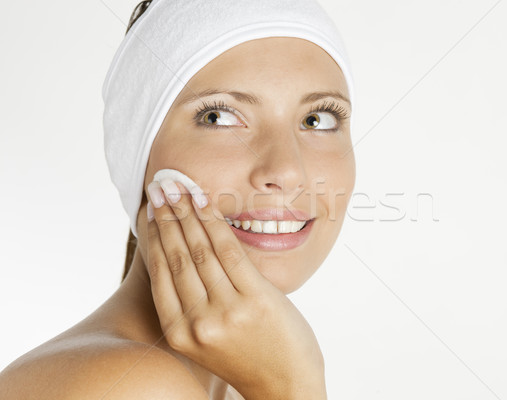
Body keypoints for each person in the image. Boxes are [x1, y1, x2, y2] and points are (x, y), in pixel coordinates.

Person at [0, 0, 355, 398]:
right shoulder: (129, 384)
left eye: (318, 119)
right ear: (139, 153)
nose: (288, 171)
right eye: (218, 116)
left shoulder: (231, 385)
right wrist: (293, 384)